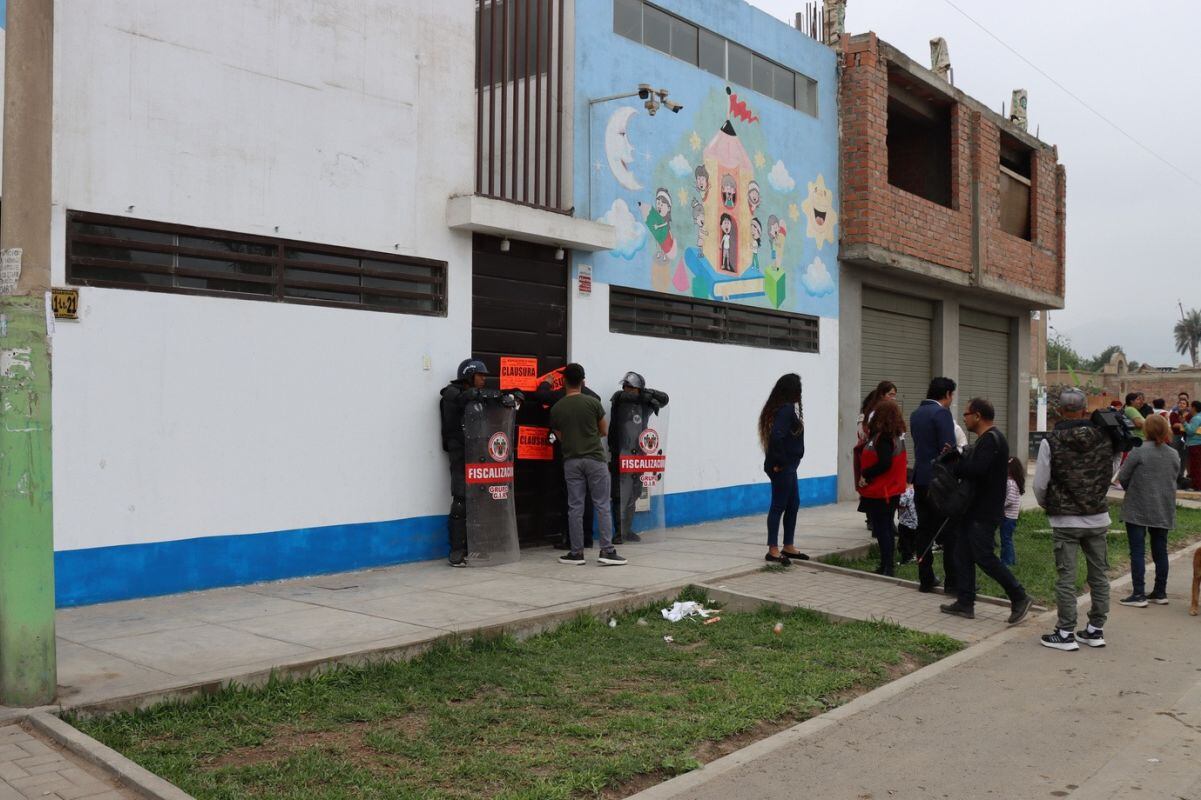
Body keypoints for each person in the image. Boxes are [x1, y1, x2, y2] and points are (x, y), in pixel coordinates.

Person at [1034, 388, 1116, 651]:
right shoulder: (1106, 437)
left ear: (1059, 410)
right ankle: (1095, 630)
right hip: (1097, 517)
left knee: (1066, 578)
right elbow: (1113, 467)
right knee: (1099, 576)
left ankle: (1065, 632)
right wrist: (1098, 491)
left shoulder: (1051, 441)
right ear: (1085, 409)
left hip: (1065, 520)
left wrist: (1046, 502)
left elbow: (1040, 482)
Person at [938, 398, 1033, 624]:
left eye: (966, 414)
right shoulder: (987, 440)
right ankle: (965, 602)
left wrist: (955, 465)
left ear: (978, 416)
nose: (964, 419)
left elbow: (976, 470)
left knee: (984, 557)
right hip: (972, 509)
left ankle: (1019, 596)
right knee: (962, 554)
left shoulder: (991, 440)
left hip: (983, 511)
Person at [549, 363, 626, 566]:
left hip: (571, 461)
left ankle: (576, 553)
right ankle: (607, 551)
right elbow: (604, 431)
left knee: (575, 507)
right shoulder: (593, 403)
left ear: (564, 381)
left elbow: (560, 436)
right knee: (602, 505)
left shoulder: (557, 408)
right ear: (583, 381)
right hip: (595, 460)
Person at [1117, 414, 1179, 607]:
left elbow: (1123, 476)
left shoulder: (1138, 451)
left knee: (1137, 550)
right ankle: (1160, 592)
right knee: (1160, 550)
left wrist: (1133, 489)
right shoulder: (1173, 454)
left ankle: (1138, 594)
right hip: (1163, 506)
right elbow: (1174, 477)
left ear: (1146, 430)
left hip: (1138, 506)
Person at [608, 371, 669, 544]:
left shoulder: (643, 403)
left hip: (639, 454)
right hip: (621, 453)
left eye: (630, 387)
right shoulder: (620, 399)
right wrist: (644, 396)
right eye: (625, 386)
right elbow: (623, 396)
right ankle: (619, 532)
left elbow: (665, 399)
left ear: (638, 389)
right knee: (620, 494)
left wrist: (647, 394)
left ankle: (627, 530)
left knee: (634, 493)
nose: (626, 389)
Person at [910, 377, 959, 593]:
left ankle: (926, 578)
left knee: (924, 530)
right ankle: (953, 582)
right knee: (949, 531)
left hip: (920, 478)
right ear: (947, 394)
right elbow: (948, 451)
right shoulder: (941, 413)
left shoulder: (916, 414)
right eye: (952, 395)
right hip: (939, 482)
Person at [439, 359, 488, 568]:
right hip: (460, 453)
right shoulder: (451, 393)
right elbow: (458, 398)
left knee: (479, 499)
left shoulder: (475, 396)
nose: (484, 379)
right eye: (480, 375)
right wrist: (477, 395)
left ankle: (475, 547)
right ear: (469, 376)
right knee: (460, 499)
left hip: (478, 452)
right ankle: (456, 551)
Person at [759, 373, 809, 564]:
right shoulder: (786, 409)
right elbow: (776, 437)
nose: (800, 393)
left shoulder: (782, 408)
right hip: (783, 466)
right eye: (798, 389)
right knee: (779, 505)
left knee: (793, 503)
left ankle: (788, 546)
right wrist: (780, 462)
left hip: (789, 466)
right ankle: (773, 550)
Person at [857, 399, 907, 576]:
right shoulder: (895, 436)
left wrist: (866, 474)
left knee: (883, 528)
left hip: (882, 491)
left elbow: (885, 463)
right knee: (885, 527)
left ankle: (888, 566)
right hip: (890, 489)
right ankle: (886, 564)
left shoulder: (884, 438)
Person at [1001, 457, 1024, 567]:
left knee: (1006, 539)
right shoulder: (1015, 482)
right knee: (1007, 539)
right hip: (1012, 517)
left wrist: (1000, 506)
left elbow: (1010, 500)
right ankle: (1010, 560)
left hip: (1008, 516)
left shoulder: (1010, 483)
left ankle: (1007, 561)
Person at [897, 470, 918, 565]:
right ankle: (913, 554)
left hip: (906, 522)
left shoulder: (905, 492)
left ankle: (906, 558)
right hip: (915, 521)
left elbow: (901, 504)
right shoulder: (915, 490)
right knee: (913, 540)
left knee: (905, 541)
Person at [1186, 400, 1201, 491]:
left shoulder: (1196, 418)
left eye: (1191, 407)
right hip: (1198, 444)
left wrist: (1184, 423)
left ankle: (1196, 485)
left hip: (1195, 444)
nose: (1190, 409)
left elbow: (1191, 431)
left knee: (1195, 466)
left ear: (1194, 408)